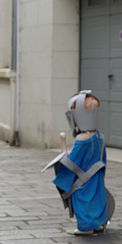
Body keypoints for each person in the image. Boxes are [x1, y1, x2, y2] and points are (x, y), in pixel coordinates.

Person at [43, 90, 113, 235]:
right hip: (95, 178)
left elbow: (70, 161)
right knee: (96, 198)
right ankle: (98, 223)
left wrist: (62, 141)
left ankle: (86, 227)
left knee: (83, 199)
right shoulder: (100, 136)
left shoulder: (82, 138)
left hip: (83, 180)